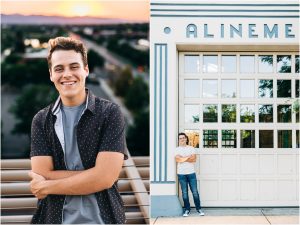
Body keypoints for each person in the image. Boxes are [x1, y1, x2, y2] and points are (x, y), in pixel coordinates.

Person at [28, 37, 128, 224]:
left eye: (74, 66)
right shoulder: (41, 121)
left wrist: (48, 186)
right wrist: (94, 176)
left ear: (86, 70)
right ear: (51, 74)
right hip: (54, 219)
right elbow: (42, 173)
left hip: (103, 219)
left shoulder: (110, 114)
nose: (67, 74)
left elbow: (106, 178)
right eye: (59, 69)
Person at [175, 132, 204, 217]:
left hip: (191, 173)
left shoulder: (191, 148)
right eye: (180, 138)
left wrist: (183, 158)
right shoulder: (176, 149)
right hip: (181, 174)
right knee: (184, 193)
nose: (182, 139)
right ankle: (187, 209)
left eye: (183, 138)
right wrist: (188, 157)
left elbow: (194, 159)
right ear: (179, 140)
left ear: (186, 138)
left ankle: (199, 209)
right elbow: (178, 160)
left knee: (195, 192)